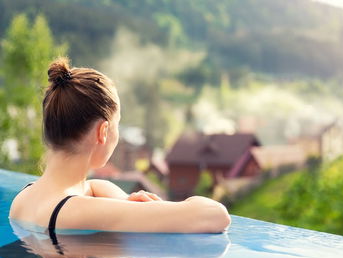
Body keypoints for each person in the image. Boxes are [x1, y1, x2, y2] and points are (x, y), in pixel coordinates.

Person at [9, 57, 231, 235]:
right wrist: (145, 208)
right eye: (118, 124)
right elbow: (215, 216)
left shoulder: (24, 198)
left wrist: (125, 201)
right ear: (103, 132)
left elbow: (92, 188)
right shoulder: (76, 211)